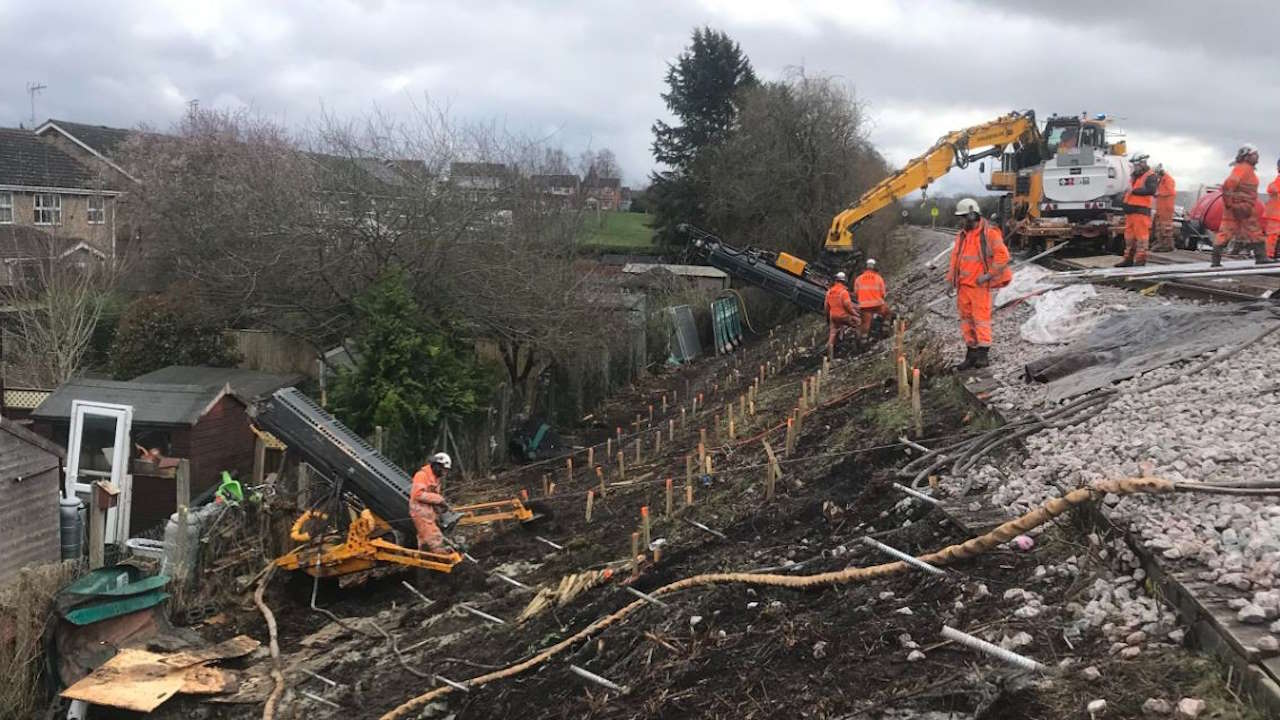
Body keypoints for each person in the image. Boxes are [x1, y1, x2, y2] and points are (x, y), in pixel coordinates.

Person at [946, 198, 1012, 370]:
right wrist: (950, 281)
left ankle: (983, 355)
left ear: (972, 215)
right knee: (967, 321)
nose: (960, 221)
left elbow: (1003, 256)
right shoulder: (962, 235)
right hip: (963, 287)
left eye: (962, 217)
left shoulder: (989, 233)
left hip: (979, 287)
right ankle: (971, 354)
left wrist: (988, 276)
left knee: (981, 320)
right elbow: (955, 260)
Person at [1214, 144, 1273, 266]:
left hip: (1241, 207)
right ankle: (1260, 257)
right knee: (1252, 231)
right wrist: (1230, 203)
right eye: (1254, 154)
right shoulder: (1243, 168)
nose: (1257, 157)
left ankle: (1216, 261)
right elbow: (1228, 185)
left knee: (1228, 231)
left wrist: (1229, 203)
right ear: (1247, 156)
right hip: (1241, 207)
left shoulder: (1245, 169)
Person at [1117, 152, 1159, 267]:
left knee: (1141, 238)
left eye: (1137, 165)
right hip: (1130, 211)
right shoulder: (1135, 176)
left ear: (1143, 163)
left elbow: (1151, 190)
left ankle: (1140, 261)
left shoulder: (1150, 176)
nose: (1135, 167)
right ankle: (1128, 259)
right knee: (1129, 238)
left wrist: (1134, 191)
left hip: (1141, 211)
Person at [409, 452, 452, 553]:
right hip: (419, 511)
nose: (444, 473)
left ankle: (426, 561)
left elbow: (433, 497)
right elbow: (417, 494)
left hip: (429, 512)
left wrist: (440, 509)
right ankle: (441, 556)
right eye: (443, 469)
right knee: (433, 536)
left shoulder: (435, 479)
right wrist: (440, 500)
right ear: (436, 466)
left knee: (425, 540)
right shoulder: (421, 475)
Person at [853, 258, 893, 337]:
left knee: (865, 324)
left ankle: (863, 341)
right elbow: (883, 294)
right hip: (877, 304)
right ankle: (885, 330)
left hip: (864, 306)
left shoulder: (858, 279)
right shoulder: (878, 278)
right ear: (874, 268)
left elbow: (856, 293)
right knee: (888, 313)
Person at [824, 271, 859, 359]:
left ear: (836, 280)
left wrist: (828, 317)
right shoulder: (844, 292)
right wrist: (855, 314)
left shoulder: (829, 292)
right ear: (844, 281)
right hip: (843, 316)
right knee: (859, 324)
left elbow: (826, 307)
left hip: (833, 316)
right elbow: (848, 306)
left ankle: (829, 353)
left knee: (832, 333)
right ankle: (859, 345)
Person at [1152, 164, 1177, 252]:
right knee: (1159, 226)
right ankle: (1161, 242)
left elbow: (1171, 191)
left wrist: (1159, 193)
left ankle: (1167, 245)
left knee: (1165, 227)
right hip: (1161, 208)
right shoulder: (1162, 180)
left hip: (1166, 208)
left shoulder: (1168, 179)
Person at [1266, 157, 1280, 261]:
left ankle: (1272, 255)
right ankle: (1269, 256)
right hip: (1275, 215)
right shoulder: (1275, 183)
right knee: (1273, 236)